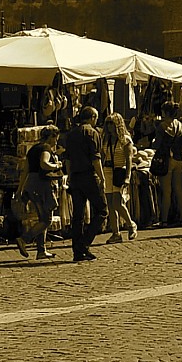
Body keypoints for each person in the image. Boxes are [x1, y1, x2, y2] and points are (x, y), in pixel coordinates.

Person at [63, 105, 105, 262]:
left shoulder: (71, 134)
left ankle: (77, 251)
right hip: (89, 175)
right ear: (92, 117)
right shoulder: (92, 133)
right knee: (102, 210)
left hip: (75, 176)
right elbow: (95, 158)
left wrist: (70, 176)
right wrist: (102, 178)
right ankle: (83, 244)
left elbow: (67, 159)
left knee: (78, 215)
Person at [17, 123, 63, 259]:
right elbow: (44, 163)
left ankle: (41, 250)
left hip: (31, 184)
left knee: (42, 218)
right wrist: (56, 165)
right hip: (42, 185)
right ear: (51, 137)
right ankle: (24, 239)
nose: (56, 142)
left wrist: (20, 189)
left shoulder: (32, 150)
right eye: (56, 138)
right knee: (47, 219)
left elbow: (25, 170)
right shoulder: (46, 148)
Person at [101, 111, 137, 242]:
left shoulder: (125, 140)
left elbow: (129, 160)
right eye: (108, 123)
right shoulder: (106, 139)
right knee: (110, 203)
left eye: (112, 123)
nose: (110, 126)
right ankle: (116, 232)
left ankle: (130, 224)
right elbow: (103, 156)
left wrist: (127, 176)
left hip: (119, 171)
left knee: (117, 202)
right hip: (108, 171)